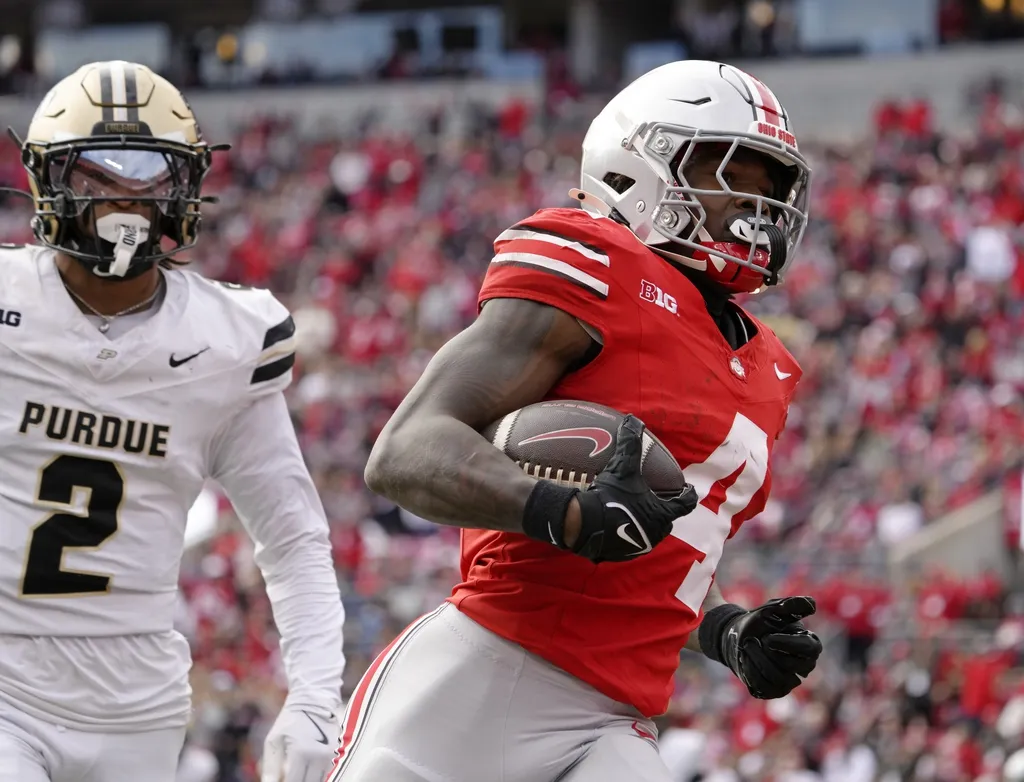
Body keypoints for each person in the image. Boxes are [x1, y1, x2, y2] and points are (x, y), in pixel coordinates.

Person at [332, 60, 824, 782]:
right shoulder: (599, 261)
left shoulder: (771, 368)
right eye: (728, 174)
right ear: (636, 166)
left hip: (617, 717)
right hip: (487, 672)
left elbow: (664, 554)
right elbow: (405, 451)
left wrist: (726, 630)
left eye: (766, 185)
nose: (752, 205)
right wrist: (558, 511)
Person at [0, 61, 344, 782]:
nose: (126, 202)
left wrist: (316, 697)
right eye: (98, 179)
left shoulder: (225, 342)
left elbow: (292, 538)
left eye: (150, 178)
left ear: (184, 188)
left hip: (141, 708)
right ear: (50, 182)